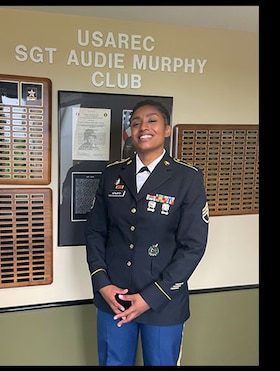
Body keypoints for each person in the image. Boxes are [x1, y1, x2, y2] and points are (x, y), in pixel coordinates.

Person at [84, 99, 209, 366]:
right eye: (136, 122)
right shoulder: (111, 174)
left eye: (152, 120)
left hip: (164, 301)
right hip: (114, 299)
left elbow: (193, 246)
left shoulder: (187, 178)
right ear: (130, 132)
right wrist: (102, 283)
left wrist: (152, 297)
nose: (143, 127)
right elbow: (94, 231)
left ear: (166, 129)